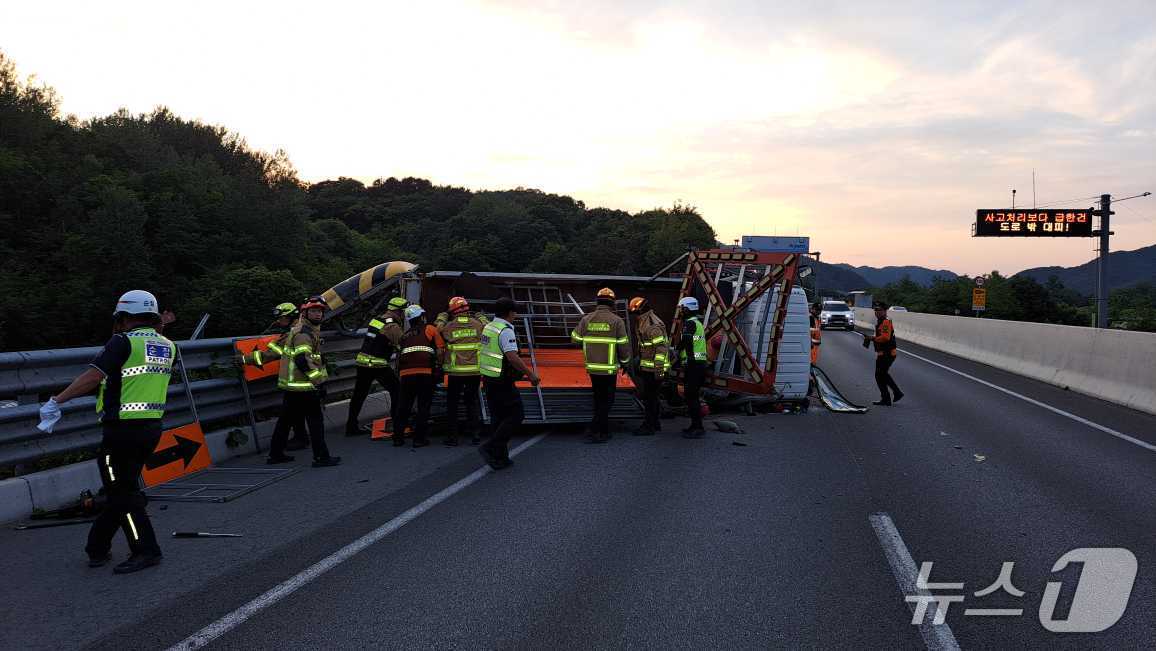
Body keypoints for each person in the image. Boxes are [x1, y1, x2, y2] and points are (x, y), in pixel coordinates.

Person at [40, 290, 173, 573]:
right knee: (119, 489)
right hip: (151, 428)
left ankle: (146, 550)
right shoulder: (167, 345)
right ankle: (97, 547)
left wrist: (57, 400)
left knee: (123, 493)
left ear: (124, 317)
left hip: (121, 431)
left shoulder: (122, 341)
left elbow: (93, 376)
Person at [267, 297, 341, 467]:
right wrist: (319, 382)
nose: (317, 314)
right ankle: (321, 458)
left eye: (320, 311)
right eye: (314, 311)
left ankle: (275, 454)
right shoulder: (304, 333)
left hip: (294, 387)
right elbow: (302, 360)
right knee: (316, 423)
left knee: (285, 421)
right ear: (305, 313)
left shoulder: (303, 330)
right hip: (305, 387)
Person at [478, 297, 540, 469]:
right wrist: (530, 374)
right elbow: (512, 356)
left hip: (489, 378)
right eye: (515, 312)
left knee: (498, 418)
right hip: (502, 380)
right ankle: (491, 447)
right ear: (509, 313)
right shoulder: (505, 330)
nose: (516, 315)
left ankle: (500, 457)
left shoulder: (489, 327)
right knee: (516, 414)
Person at [571, 288, 631, 444]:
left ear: (597, 302)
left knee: (598, 399)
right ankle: (593, 430)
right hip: (609, 369)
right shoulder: (617, 321)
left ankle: (603, 431)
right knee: (607, 401)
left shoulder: (586, 319)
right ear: (612, 303)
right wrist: (626, 363)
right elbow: (623, 346)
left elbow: (574, 339)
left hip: (592, 368)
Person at [346, 296, 406, 437]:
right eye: (403, 312)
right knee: (396, 389)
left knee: (358, 395)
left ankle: (351, 426)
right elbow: (401, 345)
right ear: (399, 311)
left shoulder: (378, 320)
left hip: (362, 362)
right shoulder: (393, 325)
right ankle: (396, 422)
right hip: (377, 364)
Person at [392, 304, 445, 448]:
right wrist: (439, 367)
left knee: (404, 406)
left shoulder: (404, 335)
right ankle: (419, 439)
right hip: (425, 373)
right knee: (423, 406)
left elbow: (399, 357)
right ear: (421, 316)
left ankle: (398, 438)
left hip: (406, 374)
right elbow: (440, 350)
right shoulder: (430, 329)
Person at [438, 296, 487, 446]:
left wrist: (442, 316)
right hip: (474, 372)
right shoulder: (478, 325)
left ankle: (453, 437)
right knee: (471, 402)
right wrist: (480, 316)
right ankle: (475, 435)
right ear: (467, 309)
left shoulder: (450, 326)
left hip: (455, 373)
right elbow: (488, 326)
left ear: (453, 311)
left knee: (452, 404)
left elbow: (438, 329)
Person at [628, 296, 669, 436]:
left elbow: (661, 348)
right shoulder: (644, 321)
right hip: (648, 367)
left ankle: (649, 426)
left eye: (635, 312)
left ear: (641, 310)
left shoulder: (652, 325)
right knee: (652, 397)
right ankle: (655, 423)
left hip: (654, 369)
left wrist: (658, 370)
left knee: (650, 398)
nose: (635, 315)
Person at [672, 296, 707, 438]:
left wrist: (675, 352)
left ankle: (698, 428)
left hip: (694, 365)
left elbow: (686, 341)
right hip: (697, 364)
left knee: (692, 396)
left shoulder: (689, 324)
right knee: (691, 396)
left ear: (687, 308)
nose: (680, 311)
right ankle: (694, 425)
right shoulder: (697, 323)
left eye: (681, 308)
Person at [862, 301, 904, 406]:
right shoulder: (880, 321)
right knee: (881, 375)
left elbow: (885, 337)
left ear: (885, 311)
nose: (877, 312)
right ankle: (893, 395)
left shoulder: (886, 321)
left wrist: (873, 338)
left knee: (880, 375)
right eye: (875, 310)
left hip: (888, 353)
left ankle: (890, 396)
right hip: (883, 353)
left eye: (879, 310)